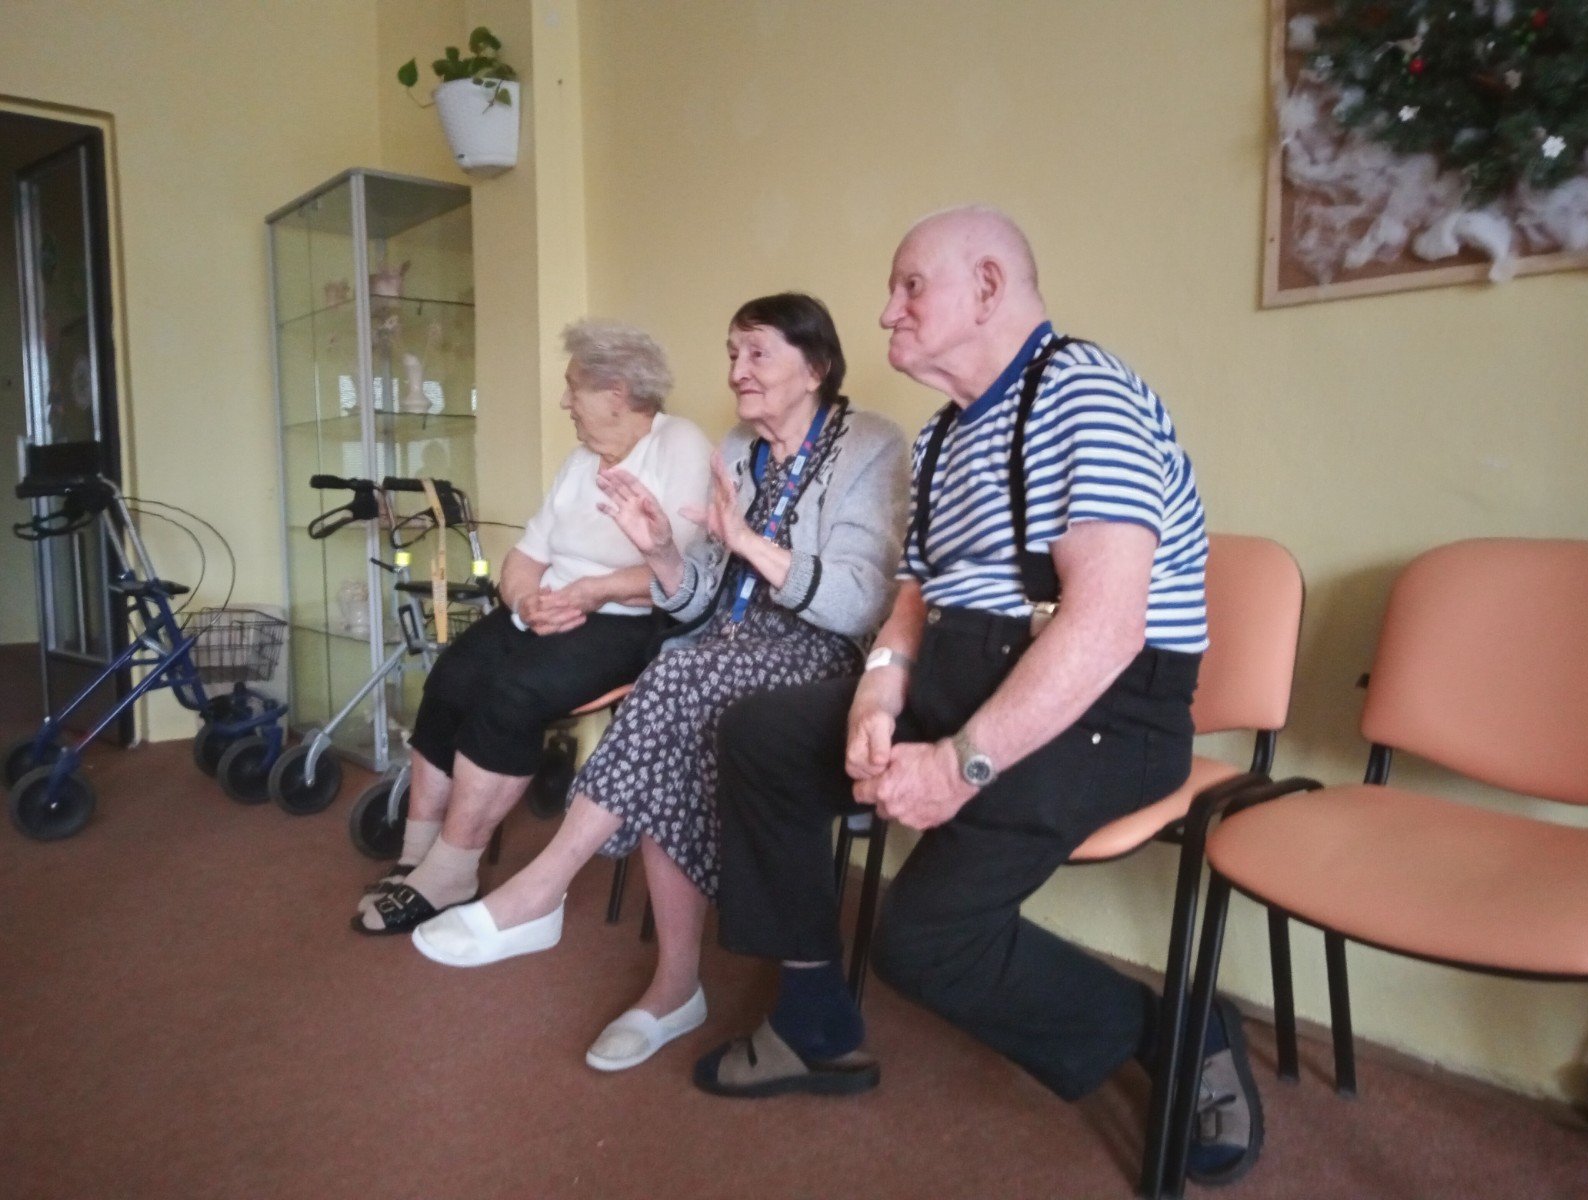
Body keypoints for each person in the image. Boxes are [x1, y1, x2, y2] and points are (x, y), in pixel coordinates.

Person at [701, 208, 1261, 1186]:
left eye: (910, 286)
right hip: (962, 675)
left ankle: (1176, 1029)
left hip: (1105, 710)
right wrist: (878, 693)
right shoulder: (944, 433)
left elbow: (1104, 628)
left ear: (989, 287)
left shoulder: (1086, 394)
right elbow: (916, 596)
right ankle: (812, 1016)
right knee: (759, 735)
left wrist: (960, 766)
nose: (886, 312)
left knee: (925, 945)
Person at [410, 293, 909, 1075]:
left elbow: (859, 604)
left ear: (815, 367)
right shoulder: (740, 448)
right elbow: (699, 596)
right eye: (732, 353)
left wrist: (747, 542)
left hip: (818, 652)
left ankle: (552, 894)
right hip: (722, 643)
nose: (737, 371)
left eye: (757, 354)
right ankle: (672, 989)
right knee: (679, 693)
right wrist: (662, 553)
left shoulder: (872, 445)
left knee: (675, 673)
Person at [354, 320, 712, 934]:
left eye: (575, 388)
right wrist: (525, 603)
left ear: (617, 393)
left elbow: (679, 563)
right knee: (452, 676)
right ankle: (415, 856)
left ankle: (452, 871)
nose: (565, 402)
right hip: (553, 606)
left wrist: (592, 592)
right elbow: (526, 555)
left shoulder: (679, 444)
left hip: (630, 620)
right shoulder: (581, 461)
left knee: (510, 695)